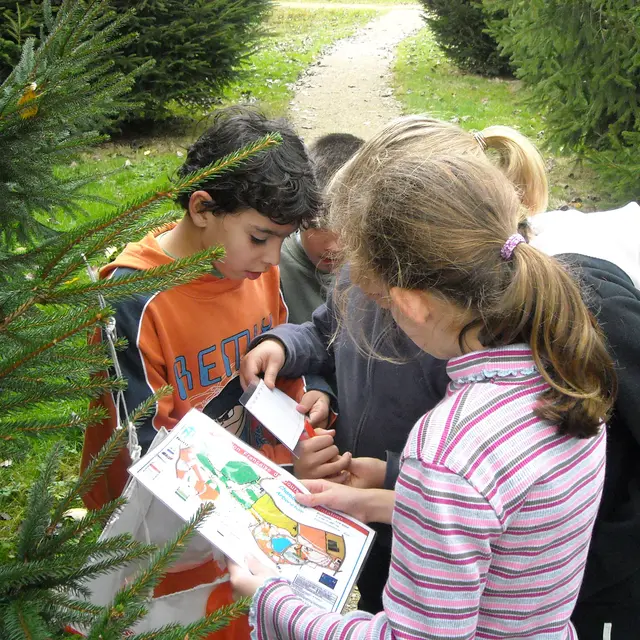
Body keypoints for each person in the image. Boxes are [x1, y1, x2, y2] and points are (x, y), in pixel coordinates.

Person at [230, 143, 615, 638]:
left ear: (410, 304)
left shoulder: (448, 449)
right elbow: (503, 526)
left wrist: (273, 599)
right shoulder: (565, 366)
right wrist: (380, 504)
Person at [80, 107, 333, 639]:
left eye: (281, 241)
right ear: (202, 207)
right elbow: (141, 455)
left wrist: (306, 406)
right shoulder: (134, 299)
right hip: (153, 538)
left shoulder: (255, 273)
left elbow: (283, 369)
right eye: (260, 237)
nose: (270, 258)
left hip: (240, 519)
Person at [279, 133, 364, 324]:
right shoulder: (271, 267)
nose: (333, 246)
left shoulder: (380, 268)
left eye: (348, 227)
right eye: (317, 225)